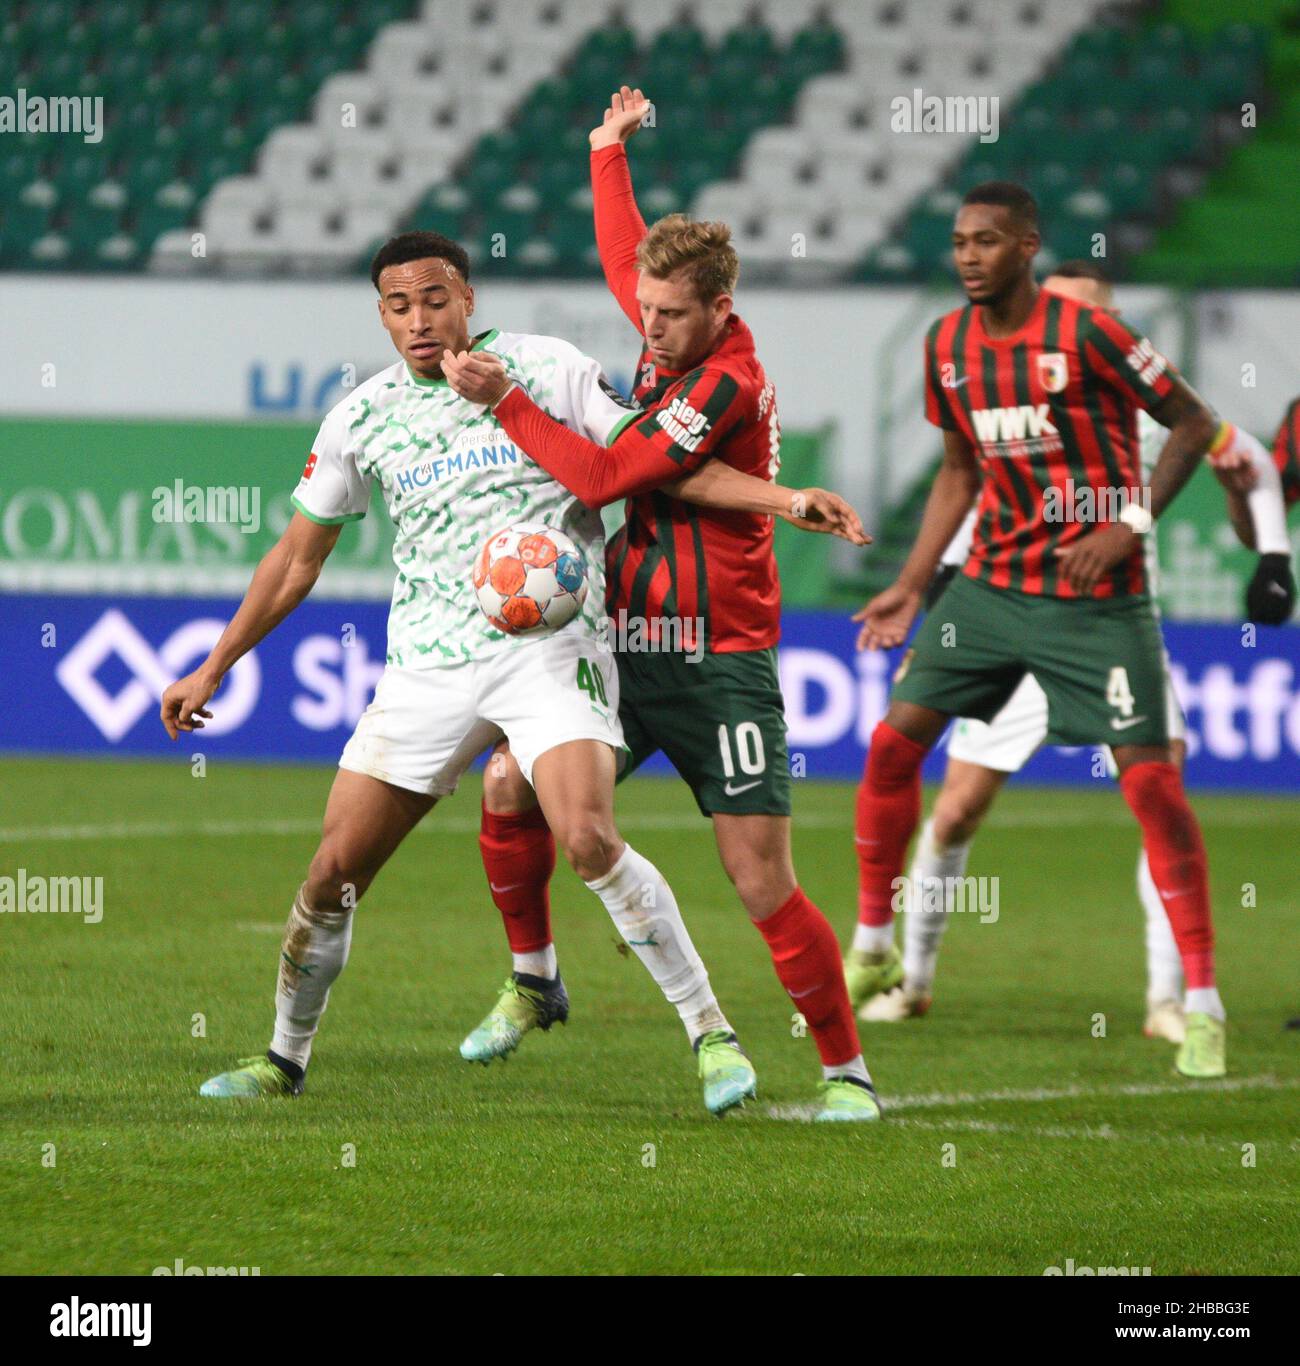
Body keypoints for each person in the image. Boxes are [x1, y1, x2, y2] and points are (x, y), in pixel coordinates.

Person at [160, 229, 858, 1109]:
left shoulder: (547, 368)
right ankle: (282, 1059)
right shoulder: (360, 419)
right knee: (332, 871)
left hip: (550, 652)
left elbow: (654, 468)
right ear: (381, 315)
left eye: (437, 299)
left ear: (469, 299)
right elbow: (298, 559)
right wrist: (215, 663)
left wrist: (785, 499)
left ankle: (711, 1034)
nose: (421, 320)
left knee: (590, 837)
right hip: (427, 669)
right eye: (400, 306)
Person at [440, 87, 883, 1121]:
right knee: (509, 787)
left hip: (718, 656)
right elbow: (626, 255)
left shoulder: (723, 378)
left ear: (721, 309)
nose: (652, 325)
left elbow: (602, 480)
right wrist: (605, 150)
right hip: (616, 646)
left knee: (759, 879)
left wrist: (502, 399)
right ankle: (534, 978)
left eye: (673, 313)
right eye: (647, 310)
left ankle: (845, 1071)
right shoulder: (667, 333)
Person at [848, 182, 1229, 1079]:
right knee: (894, 744)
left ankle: (1200, 1004)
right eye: (958, 242)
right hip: (988, 590)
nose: (968, 255)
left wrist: (1126, 525)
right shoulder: (945, 344)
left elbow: (1195, 422)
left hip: (1097, 601)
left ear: (1027, 246)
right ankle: (873, 943)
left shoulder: (1089, 333)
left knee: (1153, 789)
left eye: (986, 240)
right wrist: (910, 585)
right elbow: (956, 470)